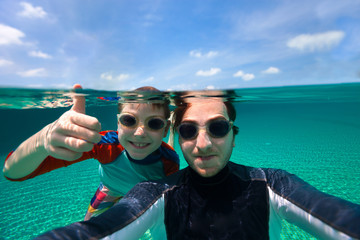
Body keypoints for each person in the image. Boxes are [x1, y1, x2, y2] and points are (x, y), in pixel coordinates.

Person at [34, 95, 360, 240]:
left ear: (234, 135)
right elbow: (96, 232)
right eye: (189, 130)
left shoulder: (273, 185)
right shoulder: (155, 191)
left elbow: (340, 218)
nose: (203, 144)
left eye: (217, 128)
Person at [3, 84, 179, 220]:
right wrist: (41, 141)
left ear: (164, 130)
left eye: (154, 123)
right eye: (129, 120)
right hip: (110, 189)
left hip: (144, 197)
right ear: (118, 124)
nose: (140, 133)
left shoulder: (169, 160)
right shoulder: (105, 144)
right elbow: (12, 172)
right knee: (89, 229)